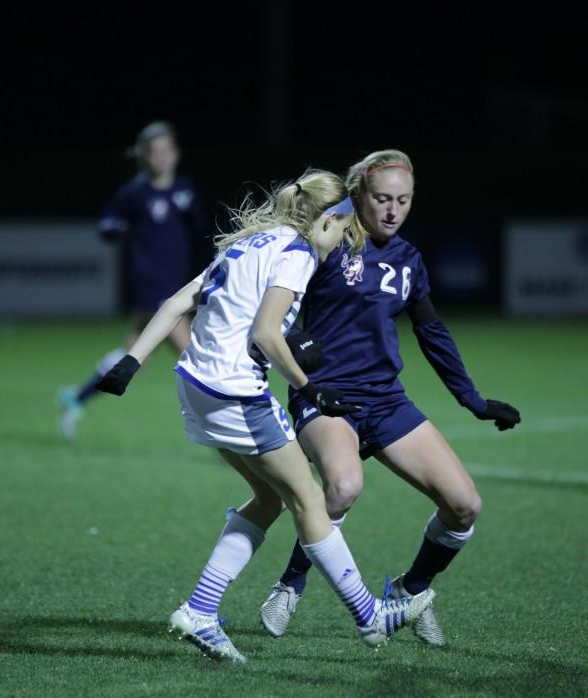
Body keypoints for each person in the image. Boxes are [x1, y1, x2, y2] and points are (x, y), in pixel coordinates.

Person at [95, 169, 435, 663]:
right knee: (310, 500)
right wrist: (310, 389)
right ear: (330, 219)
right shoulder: (296, 255)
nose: (344, 237)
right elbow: (267, 334)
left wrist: (131, 364)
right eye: (343, 227)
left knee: (269, 499)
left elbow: (175, 303)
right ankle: (370, 616)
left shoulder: (252, 241)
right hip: (236, 394)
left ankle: (201, 609)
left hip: (194, 385)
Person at [258, 150, 521, 647]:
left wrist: (474, 400)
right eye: (382, 199)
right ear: (358, 196)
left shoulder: (408, 259)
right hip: (327, 396)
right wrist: (300, 361)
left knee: (464, 505)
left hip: (385, 399)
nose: (393, 210)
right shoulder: (328, 242)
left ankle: (409, 589)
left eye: (403, 200)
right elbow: (277, 314)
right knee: (343, 488)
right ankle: (291, 582)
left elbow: (432, 333)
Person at [59, 120, 208, 438]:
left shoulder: (185, 189)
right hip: (152, 286)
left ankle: (77, 398)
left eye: (168, 150)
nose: (163, 157)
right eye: (156, 152)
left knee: (137, 353)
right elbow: (107, 227)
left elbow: (198, 231)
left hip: (178, 284)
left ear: (176, 154)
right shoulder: (134, 193)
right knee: (195, 357)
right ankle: (221, 433)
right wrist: (119, 229)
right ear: (144, 157)